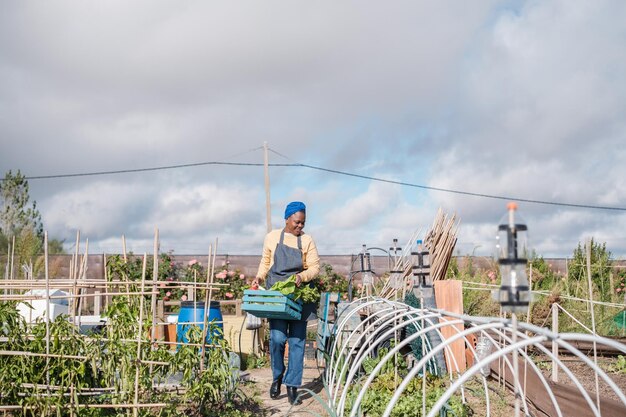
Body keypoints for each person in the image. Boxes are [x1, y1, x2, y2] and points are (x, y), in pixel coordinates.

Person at [251, 201, 320, 405]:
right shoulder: (272, 237)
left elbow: (315, 267)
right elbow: (265, 263)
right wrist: (259, 278)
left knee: (297, 342)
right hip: (277, 297)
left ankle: (292, 386)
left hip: (299, 296)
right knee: (278, 339)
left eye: (303, 223)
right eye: (297, 223)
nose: (300, 227)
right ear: (287, 219)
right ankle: (277, 377)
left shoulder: (307, 240)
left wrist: (302, 276)